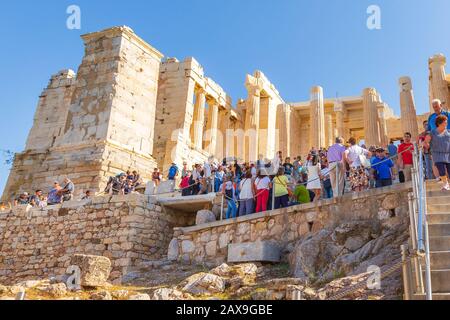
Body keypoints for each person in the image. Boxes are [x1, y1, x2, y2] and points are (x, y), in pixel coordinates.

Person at [425, 115, 450, 191]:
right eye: (445, 122)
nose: (446, 123)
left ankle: (448, 184)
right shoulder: (433, 132)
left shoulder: (448, 132)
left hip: (448, 154)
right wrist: (426, 145)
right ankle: (445, 184)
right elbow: (426, 141)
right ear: (440, 123)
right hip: (437, 154)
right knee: (441, 169)